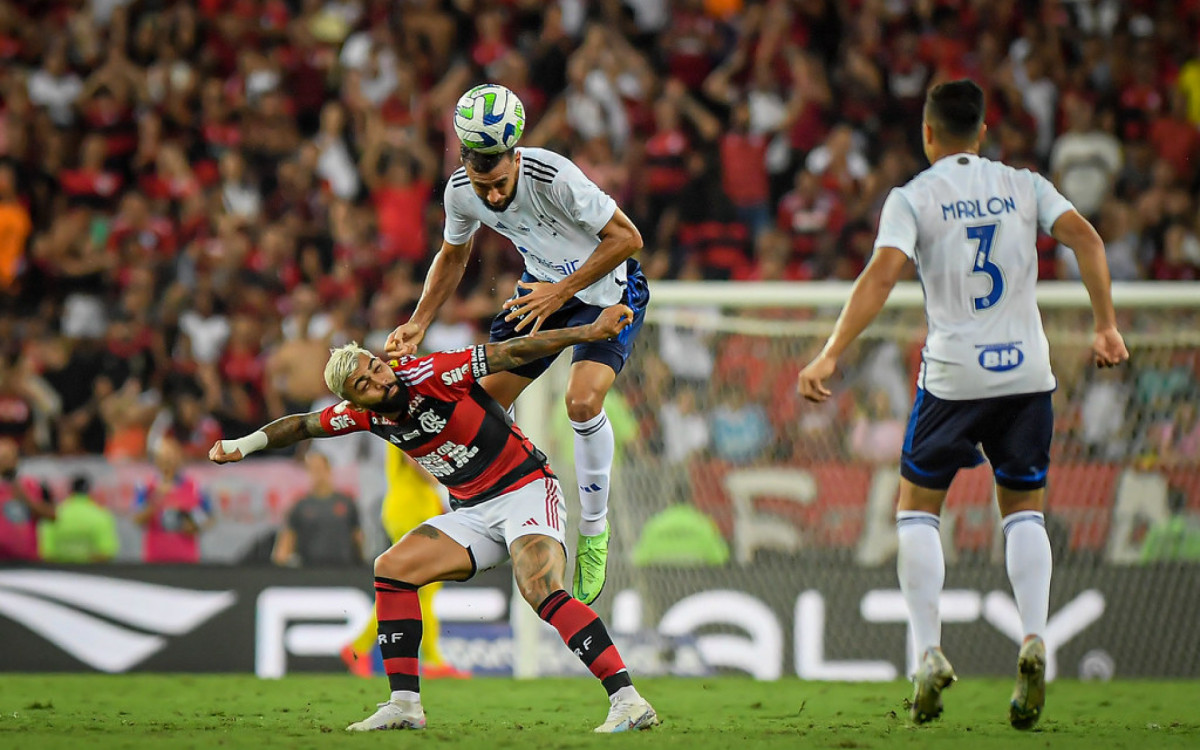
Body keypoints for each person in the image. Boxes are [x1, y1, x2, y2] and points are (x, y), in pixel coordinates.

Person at [797, 80, 1129, 730]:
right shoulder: (1024, 184)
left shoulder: (913, 197)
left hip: (953, 378)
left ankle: (927, 653)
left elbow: (882, 275)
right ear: (981, 134)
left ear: (928, 134)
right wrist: (1105, 325)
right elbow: (1088, 239)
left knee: (917, 510)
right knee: (1023, 509)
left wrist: (832, 350)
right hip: (1027, 374)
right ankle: (1034, 639)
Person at [211, 305, 659, 734]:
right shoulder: (363, 417)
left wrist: (586, 333)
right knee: (391, 569)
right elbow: (303, 425)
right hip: (473, 510)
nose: (377, 380)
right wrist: (241, 446)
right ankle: (404, 705)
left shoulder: (434, 373)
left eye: (375, 367)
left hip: (524, 488)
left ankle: (628, 700)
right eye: (364, 384)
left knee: (540, 589)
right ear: (353, 400)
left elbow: (511, 353)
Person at [384, 110, 650, 606]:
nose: (492, 196)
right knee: (473, 409)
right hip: (540, 295)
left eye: (500, 183)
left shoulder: (555, 177)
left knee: (582, 403)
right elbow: (453, 256)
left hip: (607, 291)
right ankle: (495, 503)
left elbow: (628, 238)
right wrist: (419, 321)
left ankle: (593, 530)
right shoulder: (461, 191)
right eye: (484, 186)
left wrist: (560, 293)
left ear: (516, 157)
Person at [341, 446, 469, 680]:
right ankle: (431, 661)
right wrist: (443, 477)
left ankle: (359, 647)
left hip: (414, 509)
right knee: (424, 587)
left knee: (412, 588)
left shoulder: (408, 420)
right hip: (410, 511)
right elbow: (415, 461)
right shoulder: (409, 420)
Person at [272, 451, 363, 567]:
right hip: (310, 571)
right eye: (311, 469)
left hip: (343, 569)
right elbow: (286, 543)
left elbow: (357, 538)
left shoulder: (347, 503)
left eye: (319, 468)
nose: (316, 474)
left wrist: (362, 564)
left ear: (328, 469)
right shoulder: (300, 506)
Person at [133, 436, 213, 564]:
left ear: (180, 458)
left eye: (171, 457)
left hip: (187, 557)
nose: (168, 462)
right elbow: (137, 519)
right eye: (164, 457)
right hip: (155, 558)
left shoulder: (195, 487)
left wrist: (194, 526)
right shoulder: (146, 486)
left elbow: (209, 517)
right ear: (157, 460)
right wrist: (156, 500)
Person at [39, 475, 120, 563]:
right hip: (91, 573)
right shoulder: (102, 515)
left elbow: (47, 553)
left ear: (70, 492)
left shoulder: (53, 514)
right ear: (91, 492)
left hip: (59, 573)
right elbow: (106, 552)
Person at [0, 437, 55, 561]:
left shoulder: (33, 485)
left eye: (8, 457)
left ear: (16, 460)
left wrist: (26, 500)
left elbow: (52, 515)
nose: (5, 462)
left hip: (27, 559)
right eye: (2, 458)